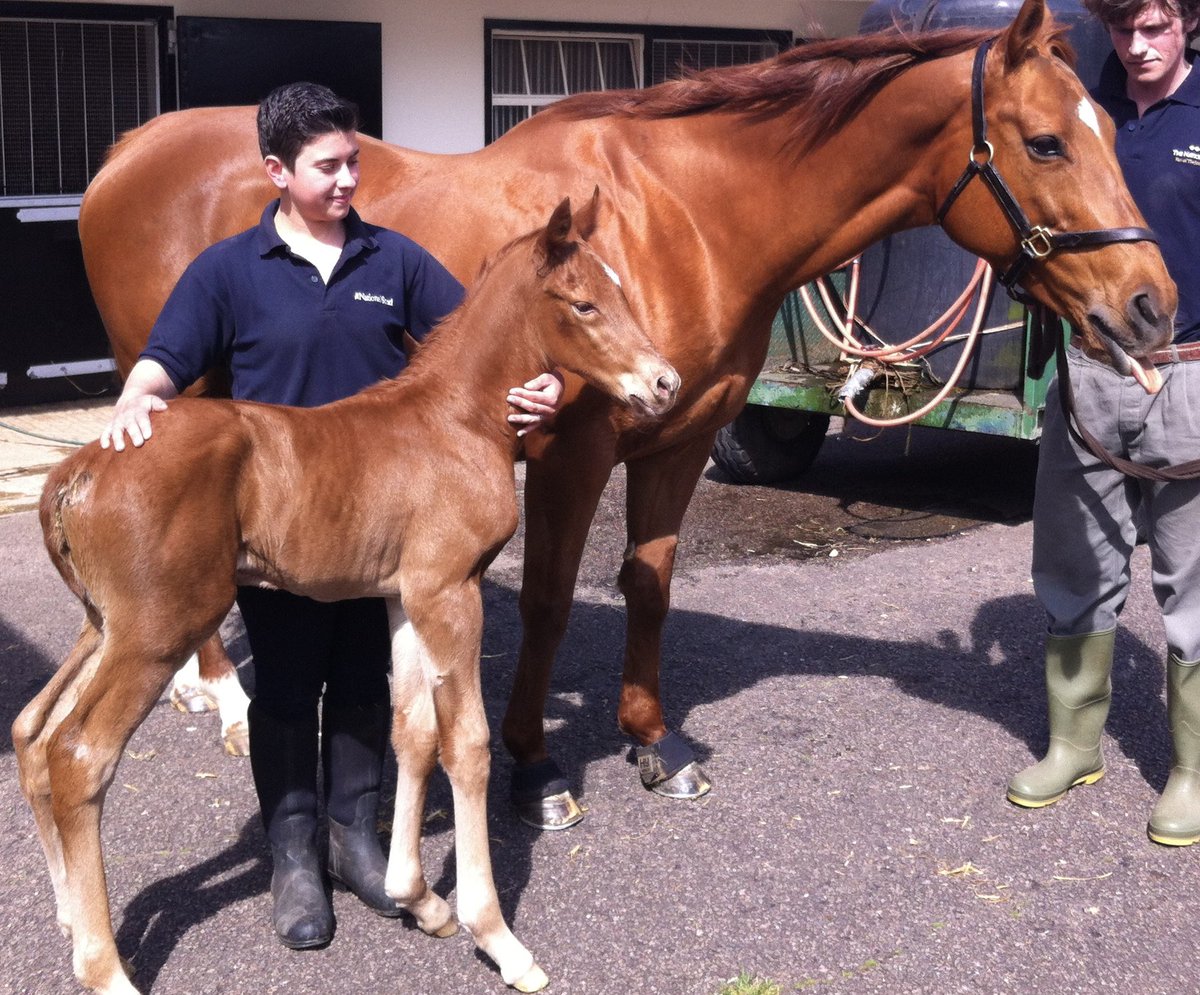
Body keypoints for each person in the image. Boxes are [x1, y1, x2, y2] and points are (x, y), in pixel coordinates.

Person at [101, 82, 563, 946]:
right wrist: (137, 397)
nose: (349, 177)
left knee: (362, 679)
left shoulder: (393, 260)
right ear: (276, 171)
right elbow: (168, 357)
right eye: (328, 166)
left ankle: (357, 840)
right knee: (285, 684)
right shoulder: (230, 270)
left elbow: (477, 343)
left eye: (354, 160)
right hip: (282, 521)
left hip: (381, 514)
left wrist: (543, 386)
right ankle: (293, 856)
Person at [1006, 0, 1200, 846]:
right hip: (1088, 376)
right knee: (1074, 567)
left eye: (1156, 27)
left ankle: (1192, 772)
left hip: (1190, 375)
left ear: (1188, 23)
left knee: (1192, 586)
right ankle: (1074, 744)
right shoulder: (1089, 112)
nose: (1138, 46)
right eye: (1124, 30)